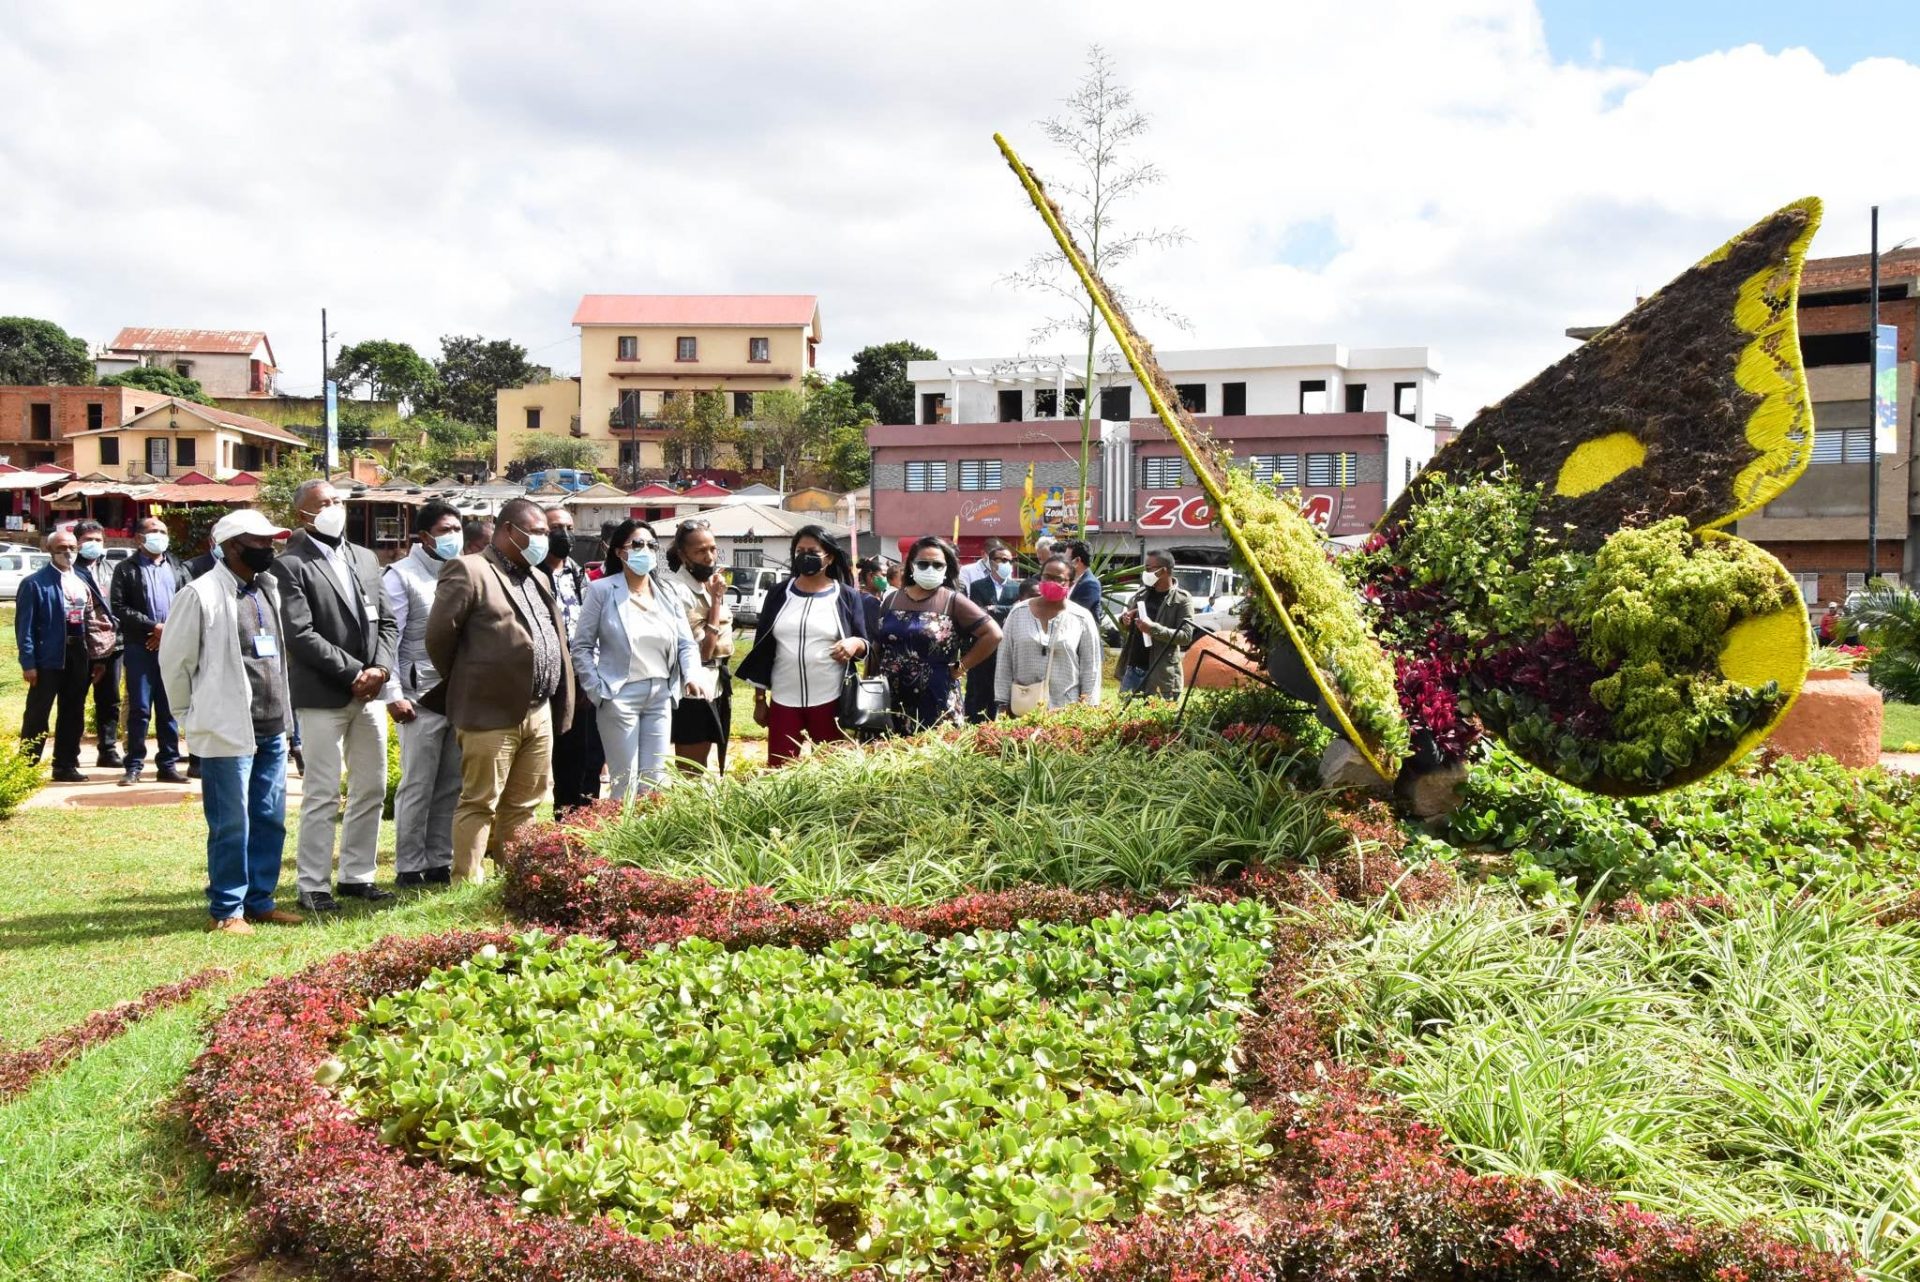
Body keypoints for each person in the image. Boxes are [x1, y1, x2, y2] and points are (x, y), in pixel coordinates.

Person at [158, 509, 303, 934]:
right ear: (230, 547)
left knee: (269, 817)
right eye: (258, 543)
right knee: (231, 822)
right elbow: (175, 664)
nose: (268, 549)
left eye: (270, 542)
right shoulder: (199, 595)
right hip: (226, 728)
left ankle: (260, 900)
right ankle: (226, 910)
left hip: (271, 726)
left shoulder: (268, 590)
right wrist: (191, 717)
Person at [424, 497, 574, 883]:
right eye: (538, 532)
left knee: (525, 803)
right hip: (489, 710)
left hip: (538, 709)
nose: (546, 539)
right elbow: (440, 639)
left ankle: (513, 880)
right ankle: (467, 883)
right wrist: (474, 680)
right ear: (509, 531)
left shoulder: (538, 576)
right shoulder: (469, 570)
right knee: (480, 801)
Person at [269, 480, 398, 914]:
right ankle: (312, 884)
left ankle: (358, 875)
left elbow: (389, 623)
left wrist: (379, 669)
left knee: (371, 787)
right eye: (324, 503)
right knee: (322, 791)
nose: (335, 508)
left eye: (339, 500)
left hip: (370, 694)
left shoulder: (364, 557)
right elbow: (299, 633)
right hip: (324, 694)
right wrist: (353, 673)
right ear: (302, 514)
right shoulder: (289, 565)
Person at [570, 520, 703, 799]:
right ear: (620, 551)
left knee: (655, 784)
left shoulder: (667, 593)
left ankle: (651, 842)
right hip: (619, 695)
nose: (646, 551)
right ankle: (620, 839)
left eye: (651, 545)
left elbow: (685, 643)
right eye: (637, 544)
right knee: (625, 783)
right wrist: (599, 690)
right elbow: (581, 647)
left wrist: (691, 676)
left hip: (660, 695)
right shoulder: (602, 590)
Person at [734, 526, 869, 766]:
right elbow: (762, 649)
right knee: (780, 771)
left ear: (829, 557)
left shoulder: (846, 595)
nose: (805, 556)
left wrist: (853, 643)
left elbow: (864, 642)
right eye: (800, 551)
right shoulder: (778, 594)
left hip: (831, 698)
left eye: (812, 551)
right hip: (784, 700)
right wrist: (759, 700)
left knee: (833, 771)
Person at [382, 502, 465, 887]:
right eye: (446, 529)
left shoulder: (461, 572)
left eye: (458, 528)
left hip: (456, 695)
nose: (454, 536)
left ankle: (439, 860)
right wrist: (393, 693)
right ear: (425, 535)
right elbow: (390, 639)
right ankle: (409, 865)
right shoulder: (400, 577)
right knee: (417, 784)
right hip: (417, 698)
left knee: (451, 783)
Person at [870, 535, 1000, 734]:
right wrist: (869, 683)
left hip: (935, 695)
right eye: (923, 564)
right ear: (912, 566)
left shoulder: (952, 601)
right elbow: (877, 646)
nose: (930, 569)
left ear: (946, 568)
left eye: (937, 565)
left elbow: (993, 634)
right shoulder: (892, 599)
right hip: (890, 695)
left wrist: (962, 666)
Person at [15, 529, 112, 782]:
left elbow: (93, 619)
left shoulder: (82, 580)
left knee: (73, 710)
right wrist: (29, 663)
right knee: (38, 712)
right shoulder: (34, 583)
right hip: (48, 657)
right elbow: (24, 628)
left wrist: (98, 657)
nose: (67, 553)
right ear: (50, 551)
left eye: (71, 547)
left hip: (78, 652)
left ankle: (65, 765)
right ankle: (26, 767)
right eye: (61, 548)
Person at [109, 515, 192, 785]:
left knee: (169, 709)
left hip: (173, 647)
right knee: (140, 709)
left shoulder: (178, 566)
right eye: (153, 531)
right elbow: (119, 607)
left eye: (163, 531)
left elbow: (189, 603)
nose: (160, 535)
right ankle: (133, 765)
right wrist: (153, 627)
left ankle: (168, 764)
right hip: (140, 647)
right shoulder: (126, 568)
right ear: (139, 538)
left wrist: (167, 631)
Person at [540, 504, 605, 814]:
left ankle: (584, 824)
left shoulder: (580, 575)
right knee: (557, 759)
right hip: (550, 681)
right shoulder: (528, 575)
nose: (563, 534)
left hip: (584, 679)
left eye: (568, 527)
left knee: (588, 758)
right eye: (555, 527)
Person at [665, 518, 735, 773]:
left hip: (716, 682)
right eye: (700, 551)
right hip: (693, 687)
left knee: (707, 764)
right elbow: (703, 651)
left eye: (713, 549)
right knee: (692, 767)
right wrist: (716, 602)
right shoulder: (678, 590)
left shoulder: (708, 583)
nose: (709, 557)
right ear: (683, 555)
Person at [995, 555, 1104, 714]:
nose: (1050, 582)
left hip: (1066, 711)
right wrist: (1002, 703)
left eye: (1058, 579)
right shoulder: (1018, 613)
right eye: (1046, 577)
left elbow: (1091, 667)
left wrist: (1088, 708)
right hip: (1023, 708)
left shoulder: (1081, 618)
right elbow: (1004, 660)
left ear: (1070, 583)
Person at [72, 520, 124, 770]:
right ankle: (70, 752)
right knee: (74, 700)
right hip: (79, 646)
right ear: (77, 543)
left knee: (109, 700)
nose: (93, 545)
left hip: (113, 646)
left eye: (98, 540)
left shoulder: (113, 569)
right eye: (88, 540)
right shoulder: (70, 570)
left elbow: (120, 606)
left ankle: (108, 750)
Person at [1117, 551, 1195, 700]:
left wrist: (1153, 629)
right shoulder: (1141, 595)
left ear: (1163, 570)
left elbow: (1185, 636)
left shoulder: (1182, 599)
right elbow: (1129, 627)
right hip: (1133, 671)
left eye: (1149, 568)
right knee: (1125, 720)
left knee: (1157, 721)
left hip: (1161, 674)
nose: (1146, 573)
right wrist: (1125, 620)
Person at [964, 542, 1021, 722]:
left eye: (1009, 561)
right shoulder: (978, 585)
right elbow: (979, 611)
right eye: (1001, 560)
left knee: (1003, 685)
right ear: (990, 561)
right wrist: (1005, 609)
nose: (1005, 564)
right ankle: (976, 720)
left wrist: (995, 608)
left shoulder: (1016, 587)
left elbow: (1016, 609)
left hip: (1007, 643)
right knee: (980, 685)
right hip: (985, 643)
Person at [1064, 539, 1102, 617]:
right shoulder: (1071, 581)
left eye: (1066, 559)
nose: (1063, 563)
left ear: (1077, 560)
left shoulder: (1090, 584)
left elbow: (1075, 614)